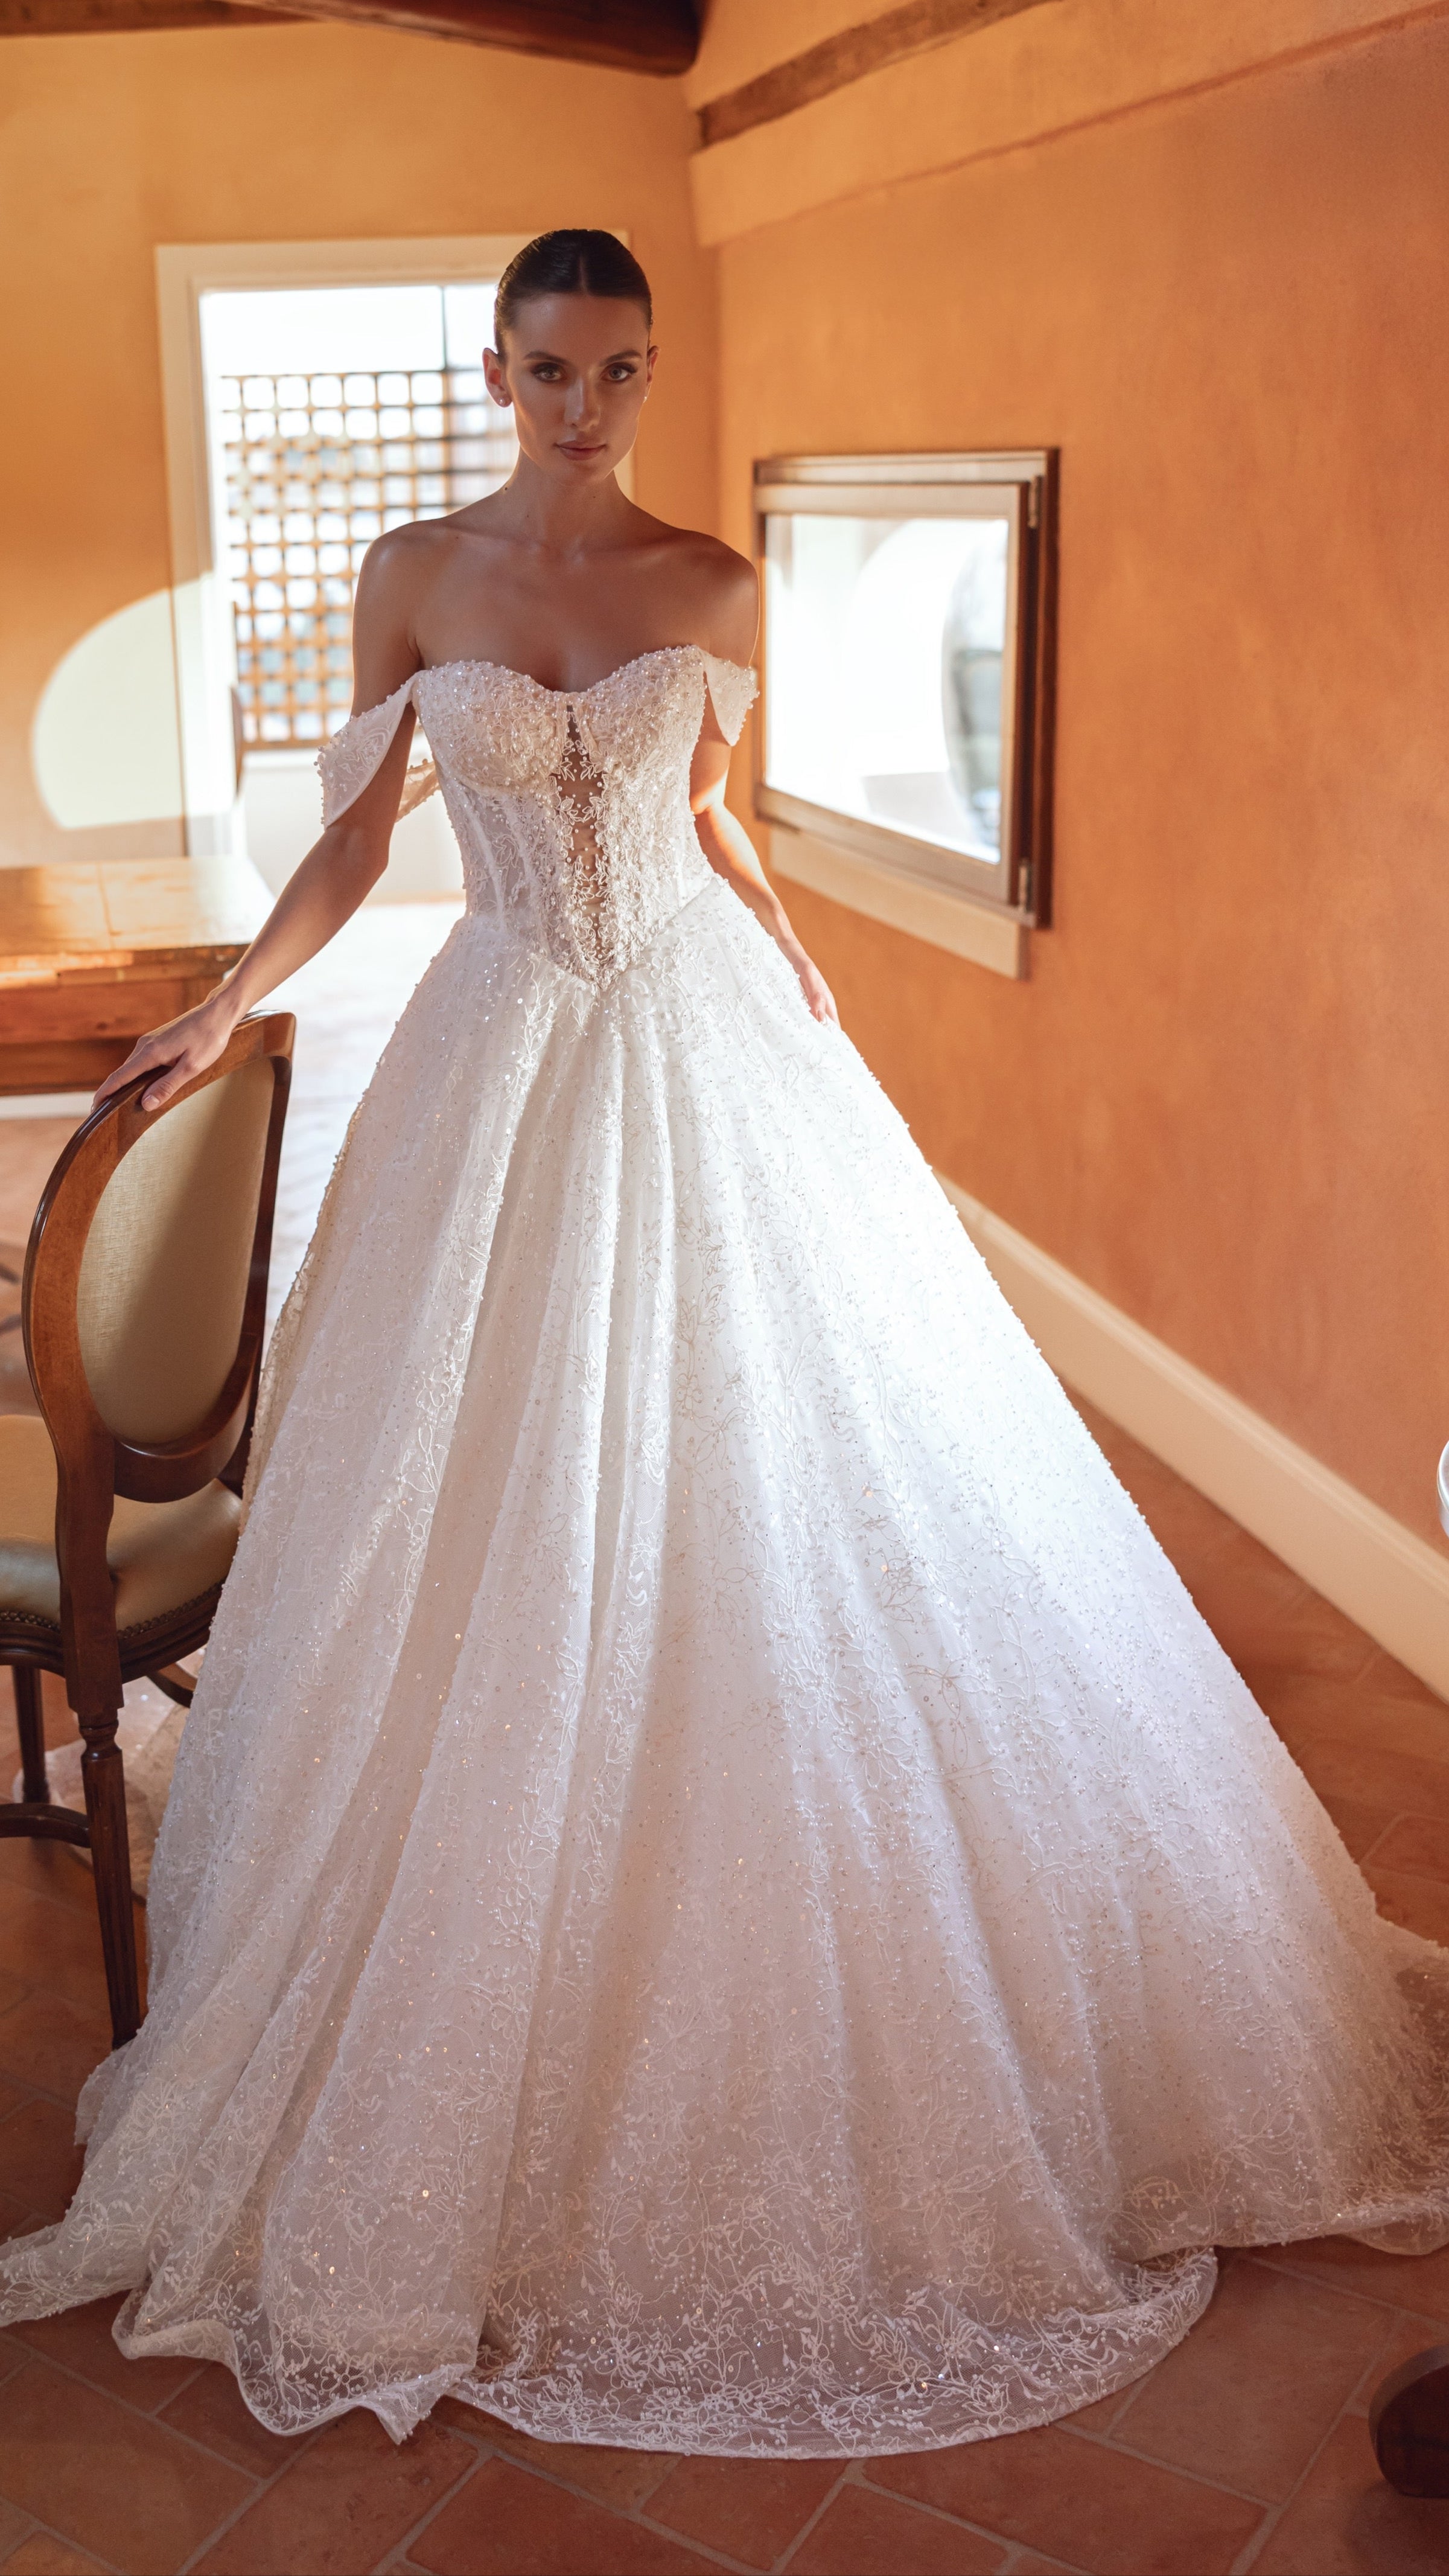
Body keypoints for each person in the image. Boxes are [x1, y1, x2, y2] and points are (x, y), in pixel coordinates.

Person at [2, 231, 1446, 2458]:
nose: (588, 404)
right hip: (496, 1054)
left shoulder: (713, 587)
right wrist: (217, 1005)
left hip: (704, 1049)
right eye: (556, 367)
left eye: (623, 370)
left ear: (645, 375)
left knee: (798, 1478)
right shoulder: (413, 570)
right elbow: (356, 843)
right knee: (485, 1501)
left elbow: (702, 822)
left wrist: (802, 968)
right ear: (497, 367)